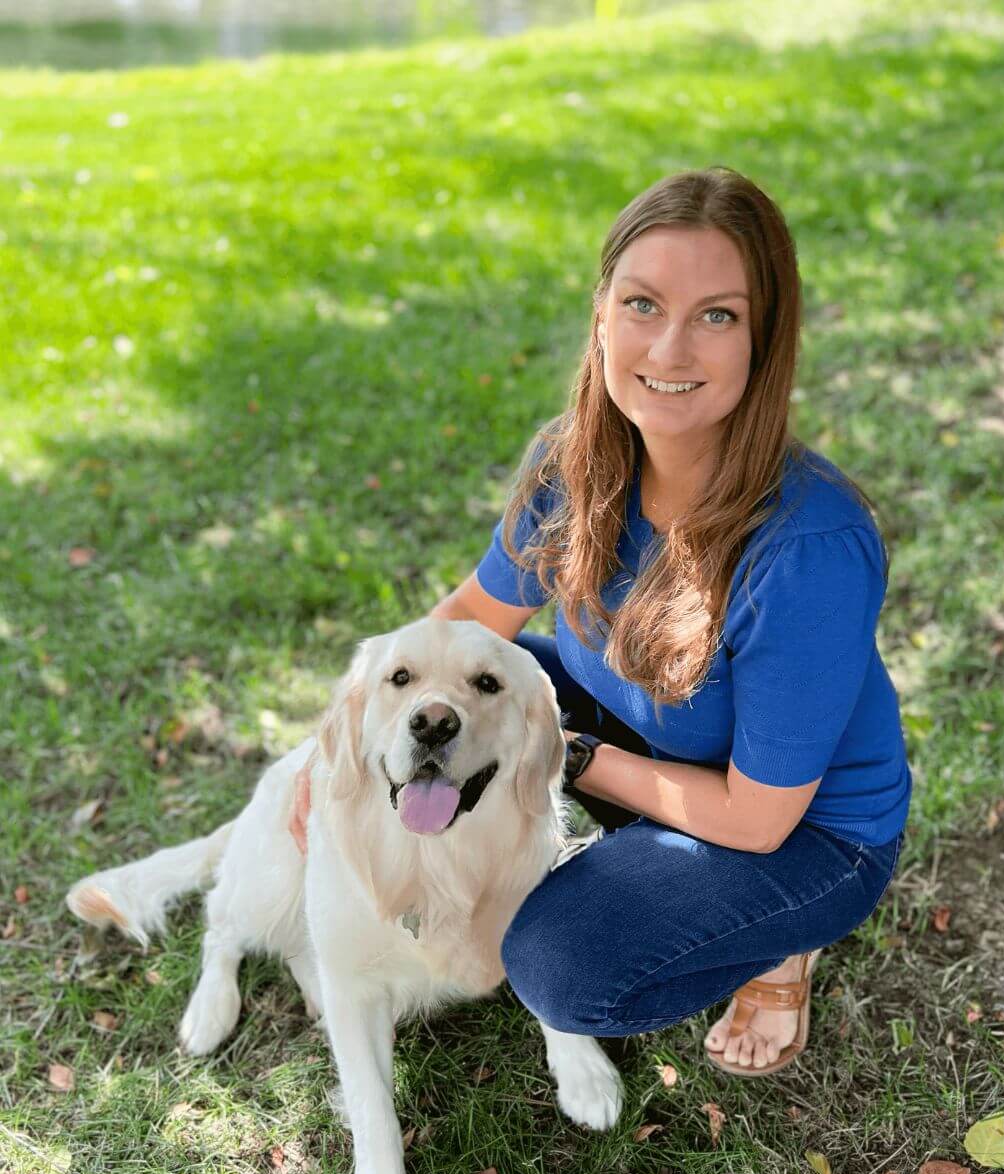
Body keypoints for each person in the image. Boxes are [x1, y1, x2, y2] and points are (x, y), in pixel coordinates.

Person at [289, 165, 912, 1077]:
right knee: (472, 694)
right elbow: (468, 622)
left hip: (804, 834)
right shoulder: (572, 461)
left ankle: (779, 946)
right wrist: (347, 743)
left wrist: (567, 758)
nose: (668, 350)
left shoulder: (810, 548)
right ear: (601, 314)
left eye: (718, 315)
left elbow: (756, 818)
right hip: (660, 737)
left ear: (764, 340)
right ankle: (640, 843)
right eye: (643, 304)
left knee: (559, 963)